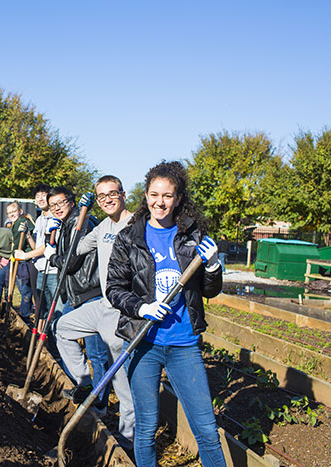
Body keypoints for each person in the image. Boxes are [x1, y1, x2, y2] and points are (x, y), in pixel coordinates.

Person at [106, 161, 225, 467]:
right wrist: (141, 307)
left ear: (178, 198)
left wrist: (212, 267)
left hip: (184, 344)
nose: (160, 202)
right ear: (145, 196)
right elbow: (114, 288)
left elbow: (208, 290)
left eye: (168, 195)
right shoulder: (129, 238)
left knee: (207, 430)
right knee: (145, 429)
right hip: (144, 343)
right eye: (154, 194)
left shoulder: (192, 235)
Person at [53, 175, 135, 449]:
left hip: (124, 310)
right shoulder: (101, 226)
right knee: (62, 328)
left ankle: (126, 441)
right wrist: (79, 221)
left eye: (113, 193)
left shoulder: (138, 225)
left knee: (124, 387)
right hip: (101, 305)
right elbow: (76, 250)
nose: (108, 199)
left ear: (123, 194)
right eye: (102, 196)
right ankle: (84, 382)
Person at [42, 187, 110, 411]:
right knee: (60, 328)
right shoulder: (66, 224)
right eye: (53, 206)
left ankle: (99, 404)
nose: (57, 207)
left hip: (91, 291)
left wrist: (52, 258)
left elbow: (71, 262)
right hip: (78, 293)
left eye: (61, 202)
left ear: (71, 202)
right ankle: (83, 385)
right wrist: (48, 238)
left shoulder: (81, 221)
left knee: (96, 352)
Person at [15, 184, 60, 317]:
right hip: (41, 270)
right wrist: (28, 234)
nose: (40, 199)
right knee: (43, 309)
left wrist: (25, 255)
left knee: (55, 310)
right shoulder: (40, 219)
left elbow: (48, 246)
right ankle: (44, 336)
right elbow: (36, 247)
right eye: (37, 196)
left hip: (53, 271)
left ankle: (56, 337)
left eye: (43, 195)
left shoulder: (56, 218)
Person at [7, 201, 36, 323]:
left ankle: (25, 315)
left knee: (25, 289)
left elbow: (21, 242)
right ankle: (27, 311)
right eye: (9, 213)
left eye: (14, 211)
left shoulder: (21, 223)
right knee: (25, 288)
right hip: (23, 258)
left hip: (26, 259)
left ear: (20, 211)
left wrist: (13, 254)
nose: (11, 214)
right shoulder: (18, 222)